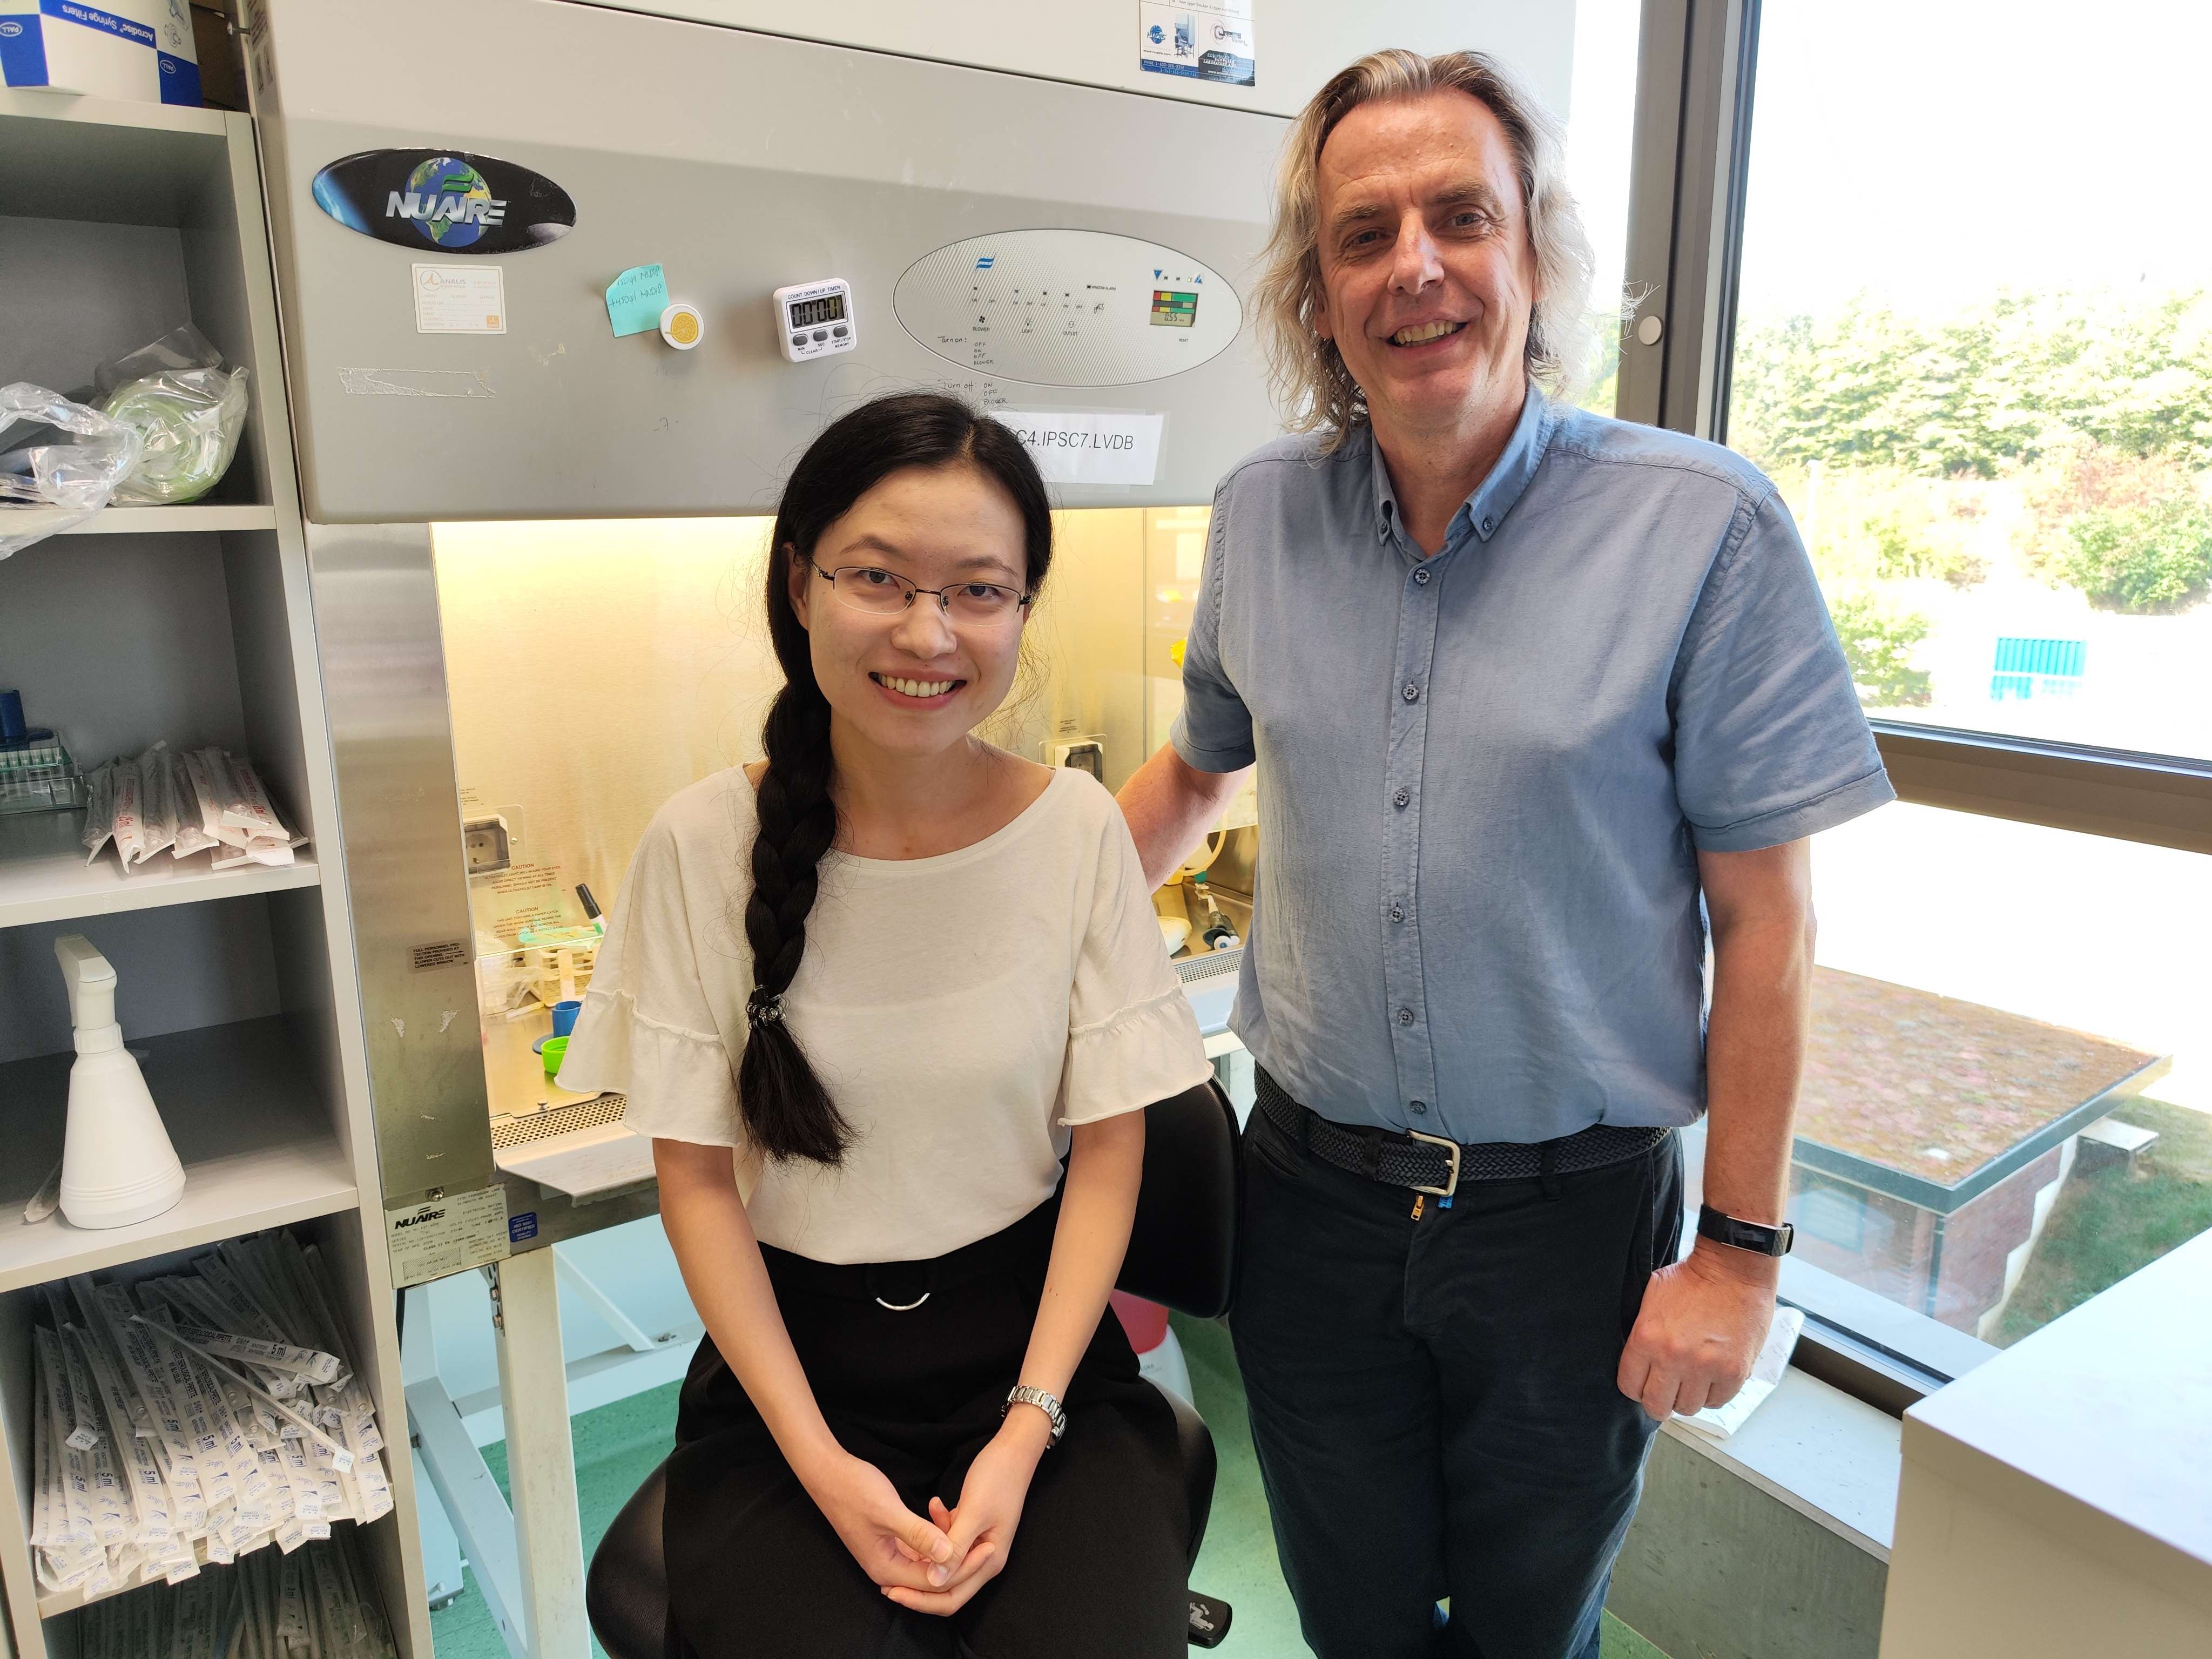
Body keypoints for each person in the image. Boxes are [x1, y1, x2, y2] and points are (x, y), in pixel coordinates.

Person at [1116, 48, 1896, 1659]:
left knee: (1534, 1627)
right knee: (1355, 1619)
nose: (1414, 266)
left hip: (1572, 1229)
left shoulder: (1704, 529)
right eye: (1362, 233)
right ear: (1317, 294)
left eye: (1459, 216)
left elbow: (1768, 924)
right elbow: (1195, 772)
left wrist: (1739, 1257)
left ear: (1532, 256)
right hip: (1307, 1205)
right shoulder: (1260, 513)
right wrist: (979, 935)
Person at [559, 391, 1212, 1658]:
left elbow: (1114, 1149)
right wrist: (818, 1463)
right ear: (799, 583)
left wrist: (1024, 1436)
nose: (929, 631)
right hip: (788, 1390)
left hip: (1035, 1366)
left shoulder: (1073, 831)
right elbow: (695, 1181)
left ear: (1022, 612)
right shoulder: (702, 845)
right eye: (879, 578)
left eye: (979, 591)